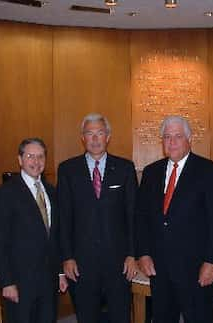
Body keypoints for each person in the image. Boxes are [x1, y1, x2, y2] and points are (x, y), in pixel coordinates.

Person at [136, 115, 213, 323]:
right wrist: (143, 253)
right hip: (159, 269)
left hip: (196, 269)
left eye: (178, 136)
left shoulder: (209, 171)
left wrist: (212, 262)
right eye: (167, 137)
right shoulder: (151, 173)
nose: (172, 142)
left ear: (189, 139)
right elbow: (141, 217)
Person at [57, 113, 138, 323]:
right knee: (87, 317)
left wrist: (132, 254)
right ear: (82, 138)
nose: (95, 139)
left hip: (118, 262)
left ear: (108, 136)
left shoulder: (125, 168)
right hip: (81, 263)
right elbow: (63, 218)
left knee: (120, 316)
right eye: (89, 134)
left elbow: (132, 215)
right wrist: (67, 257)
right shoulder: (67, 170)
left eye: (100, 133)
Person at [0, 138, 67, 323]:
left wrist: (60, 273)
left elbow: (54, 238)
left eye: (40, 156)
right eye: (30, 156)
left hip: (48, 282)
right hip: (20, 283)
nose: (36, 161)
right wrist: (7, 282)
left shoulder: (51, 191)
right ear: (20, 160)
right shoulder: (5, 193)